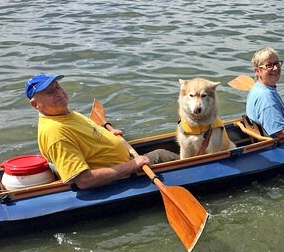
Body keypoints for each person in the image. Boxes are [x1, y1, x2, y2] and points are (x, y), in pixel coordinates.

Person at [25, 73, 179, 189]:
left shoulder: (65, 114)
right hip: (123, 174)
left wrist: (108, 135)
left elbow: (88, 138)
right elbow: (84, 181)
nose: (58, 92)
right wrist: (133, 165)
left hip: (123, 161)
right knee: (162, 154)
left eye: (57, 86)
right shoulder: (56, 132)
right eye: (49, 92)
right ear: (35, 104)